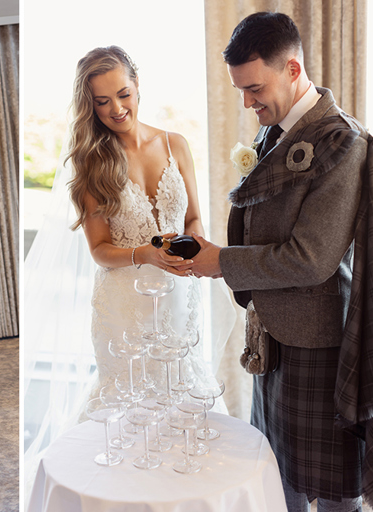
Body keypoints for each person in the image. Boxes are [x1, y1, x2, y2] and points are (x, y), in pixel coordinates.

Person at [186, 12, 367, 511]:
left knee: (332, 497)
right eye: (240, 90)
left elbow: (312, 260)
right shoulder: (278, 129)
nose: (246, 102)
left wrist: (223, 262)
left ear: (292, 69)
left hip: (318, 344)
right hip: (273, 336)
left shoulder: (343, 143)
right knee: (275, 479)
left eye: (254, 88)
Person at [67, 46, 217, 397]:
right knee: (131, 404)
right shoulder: (93, 163)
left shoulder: (175, 144)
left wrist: (192, 248)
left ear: (137, 85)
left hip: (180, 293)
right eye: (102, 101)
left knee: (184, 392)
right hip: (125, 305)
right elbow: (100, 250)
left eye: (123, 95)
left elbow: (194, 217)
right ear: (90, 105)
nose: (116, 109)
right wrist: (146, 255)